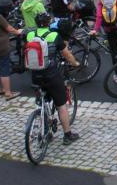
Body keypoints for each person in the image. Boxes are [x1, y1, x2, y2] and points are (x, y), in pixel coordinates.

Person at [26, 11, 81, 145]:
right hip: (51, 74)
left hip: (35, 74)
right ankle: (68, 135)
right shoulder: (54, 35)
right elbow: (66, 54)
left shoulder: (30, 35)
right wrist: (75, 63)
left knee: (41, 101)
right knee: (61, 105)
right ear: (48, 23)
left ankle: (45, 130)